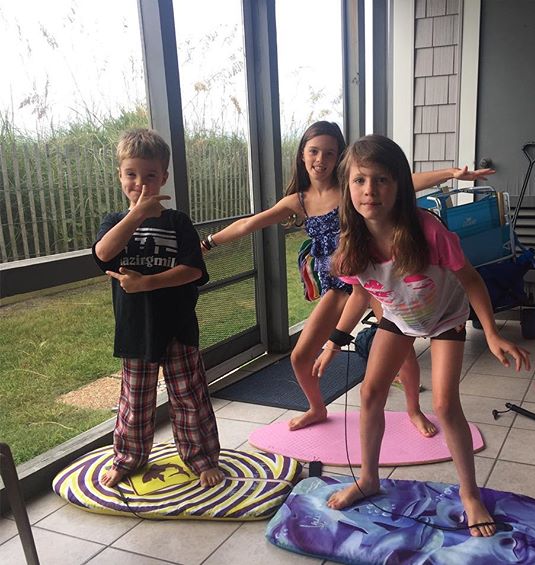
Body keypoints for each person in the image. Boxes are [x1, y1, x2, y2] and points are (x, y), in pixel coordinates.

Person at [201, 120, 495, 432]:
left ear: (339, 158)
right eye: (314, 151)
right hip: (340, 286)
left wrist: (451, 174)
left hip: (374, 280)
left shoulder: (351, 189)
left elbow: (406, 181)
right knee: (300, 356)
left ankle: (414, 410)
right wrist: (207, 243)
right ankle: (316, 408)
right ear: (302, 155)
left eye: (330, 153)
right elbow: (248, 224)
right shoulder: (298, 201)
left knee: (404, 354)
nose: (321, 159)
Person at [315, 134, 529, 537]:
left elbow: (471, 279)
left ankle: (470, 494)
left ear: (399, 184)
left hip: (445, 317)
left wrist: (492, 333)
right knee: (369, 395)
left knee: (445, 405)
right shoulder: (351, 243)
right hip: (399, 317)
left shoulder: (427, 230)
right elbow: (360, 294)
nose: (370, 190)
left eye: (381, 180)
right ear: (347, 187)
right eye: (360, 180)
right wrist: (333, 342)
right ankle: (368, 479)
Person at [93, 128, 223, 489]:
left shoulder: (177, 221)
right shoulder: (114, 223)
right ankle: (127, 458)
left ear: (163, 177)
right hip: (136, 329)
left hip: (178, 327)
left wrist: (146, 283)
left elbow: (193, 270)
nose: (140, 183)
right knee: (135, 401)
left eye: (150, 175)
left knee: (189, 397)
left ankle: (201, 458)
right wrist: (135, 215)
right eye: (131, 174)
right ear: (120, 176)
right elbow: (103, 254)